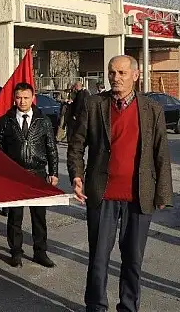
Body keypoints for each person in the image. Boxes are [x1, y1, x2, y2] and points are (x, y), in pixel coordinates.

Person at [68, 55, 173, 312]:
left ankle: (128, 307)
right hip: (102, 194)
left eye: (122, 73)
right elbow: (76, 144)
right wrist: (77, 175)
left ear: (135, 76)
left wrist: (163, 193)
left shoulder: (151, 109)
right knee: (99, 258)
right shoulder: (94, 105)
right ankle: (95, 306)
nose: (116, 78)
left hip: (139, 196)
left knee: (133, 261)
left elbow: (160, 153)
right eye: (112, 73)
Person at [0, 82, 58, 268]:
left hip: (37, 174)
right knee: (15, 216)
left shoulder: (43, 121)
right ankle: (15, 252)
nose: (22, 101)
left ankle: (40, 251)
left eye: (26, 97)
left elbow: (51, 149)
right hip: (14, 175)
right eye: (19, 97)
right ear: (14, 98)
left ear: (33, 98)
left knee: (39, 216)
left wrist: (53, 173)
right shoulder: (5, 120)